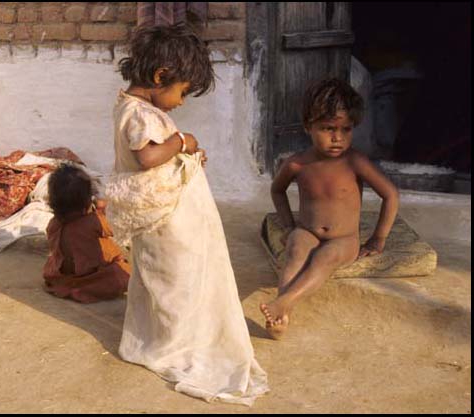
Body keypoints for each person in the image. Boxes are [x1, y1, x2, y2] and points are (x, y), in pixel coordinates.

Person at [104, 23, 268, 406]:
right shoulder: (141, 114)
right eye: (181, 92)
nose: (181, 102)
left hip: (164, 216)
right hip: (166, 223)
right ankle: (174, 342)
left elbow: (156, 155)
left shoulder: (132, 107)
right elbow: (147, 157)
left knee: (167, 277)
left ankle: (166, 335)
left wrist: (185, 156)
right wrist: (184, 141)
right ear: (160, 76)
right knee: (173, 279)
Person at [260, 78, 400, 340]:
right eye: (327, 128)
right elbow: (277, 190)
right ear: (307, 127)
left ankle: (284, 302)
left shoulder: (354, 162)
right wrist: (289, 225)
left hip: (344, 239)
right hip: (308, 230)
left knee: (324, 259)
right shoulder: (297, 164)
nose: (337, 138)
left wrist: (378, 237)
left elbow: (390, 194)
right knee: (295, 250)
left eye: (346, 129)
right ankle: (280, 319)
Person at [43, 163, 130, 303]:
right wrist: (108, 207)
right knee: (123, 272)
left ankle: (71, 285)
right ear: (87, 202)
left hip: (64, 277)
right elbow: (117, 226)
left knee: (53, 261)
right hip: (93, 276)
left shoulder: (53, 224)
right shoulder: (93, 222)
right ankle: (88, 289)